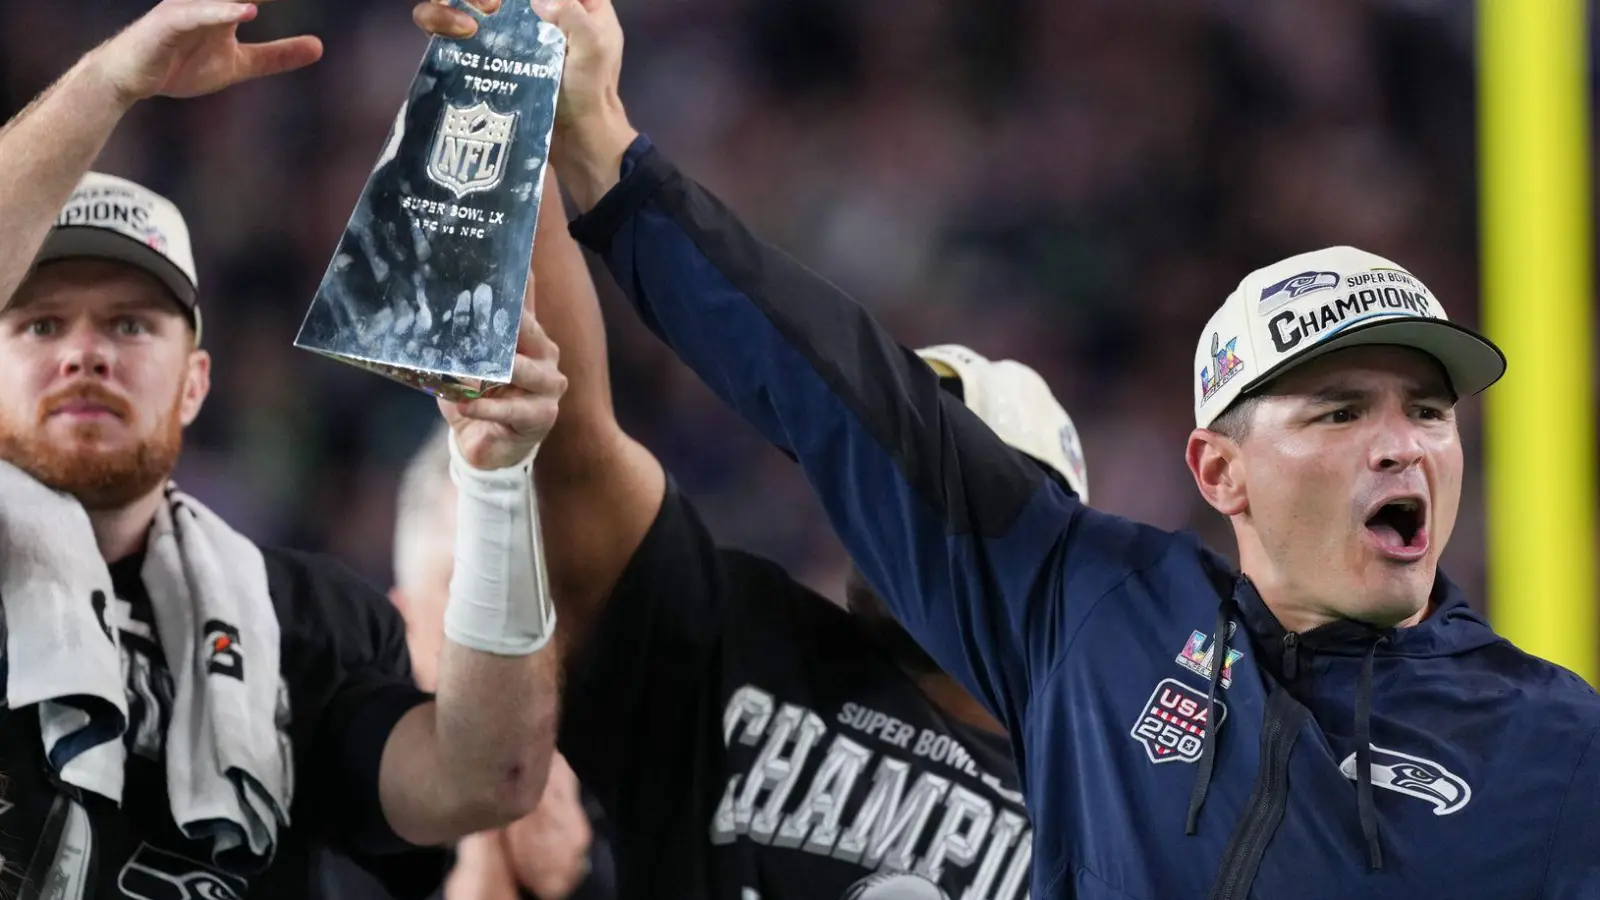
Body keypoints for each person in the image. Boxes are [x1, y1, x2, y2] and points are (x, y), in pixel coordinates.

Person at [418, 0, 1600, 896]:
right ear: (1218, 472)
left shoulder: (1555, 741)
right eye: (1340, 412)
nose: (1401, 446)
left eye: (1427, 412)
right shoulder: (1096, 614)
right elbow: (834, 392)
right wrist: (602, 151)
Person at [0, 2, 568, 897]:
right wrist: (109, 85)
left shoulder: (302, 622)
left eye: (129, 323)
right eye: (39, 323)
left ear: (194, 382)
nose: (85, 352)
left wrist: (497, 481)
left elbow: (481, 777)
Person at [391, 425, 618, 900]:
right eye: (470, 593)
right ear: (403, 621)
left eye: (535, 592)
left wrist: (580, 885)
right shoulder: (338, 801)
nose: (507, 633)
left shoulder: (633, 780)